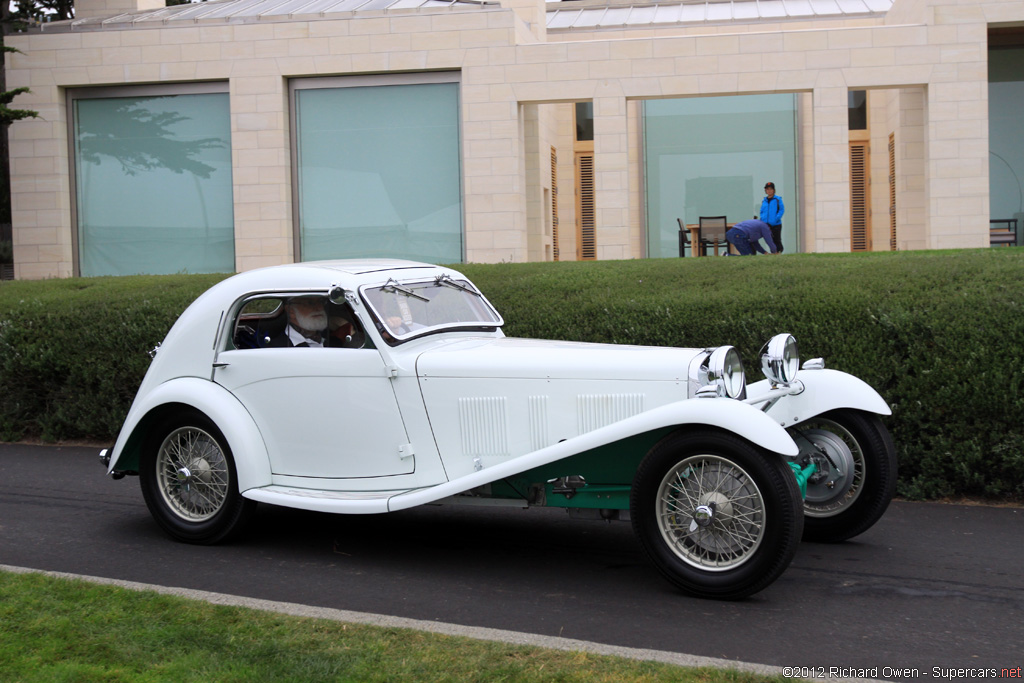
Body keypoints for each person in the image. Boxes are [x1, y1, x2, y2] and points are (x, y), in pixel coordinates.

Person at [760, 182, 786, 253]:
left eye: (771, 189)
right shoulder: (764, 200)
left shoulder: (778, 199)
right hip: (766, 225)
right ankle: (774, 252)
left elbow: (781, 210)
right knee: (770, 240)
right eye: (767, 189)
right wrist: (762, 219)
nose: (769, 191)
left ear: (774, 190)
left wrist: (776, 218)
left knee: (777, 239)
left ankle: (779, 251)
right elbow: (762, 211)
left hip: (776, 224)